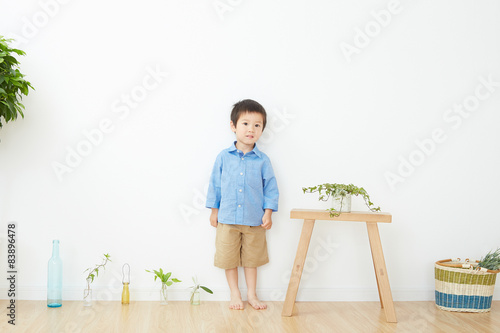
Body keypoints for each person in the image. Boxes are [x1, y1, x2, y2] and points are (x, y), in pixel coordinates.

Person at [206, 99, 279, 310]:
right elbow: (215, 185)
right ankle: (235, 293)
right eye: (245, 123)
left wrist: (268, 213)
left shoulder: (263, 161)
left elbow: (271, 189)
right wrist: (214, 211)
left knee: (251, 260)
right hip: (227, 219)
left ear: (262, 129)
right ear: (233, 126)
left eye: (257, 125)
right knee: (228, 259)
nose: (251, 129)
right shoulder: (223, 157)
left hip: (254, 220)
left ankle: (252, 295)